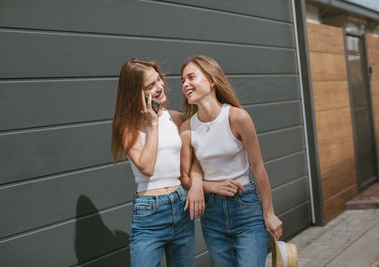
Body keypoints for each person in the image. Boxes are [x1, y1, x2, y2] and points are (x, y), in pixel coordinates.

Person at [179, 56, 282, 267]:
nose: (185, 84)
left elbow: (259, 169)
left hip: (246, 206)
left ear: (211, 80)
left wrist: (269, 213)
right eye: (183, 80)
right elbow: (185, 178)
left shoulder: (237, 117)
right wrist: (206, 185)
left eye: (191, 77)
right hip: (212, 215)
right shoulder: (187, 129)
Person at [111, 58, 195, 267]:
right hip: (149, 213)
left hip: (181, 205)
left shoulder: (176, 118)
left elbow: (196, 158)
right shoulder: (128, 128)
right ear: (135, 93)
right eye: (150, 86)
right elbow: (146, 167)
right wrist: (152, 124)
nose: (160, 87)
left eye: (159, 79)